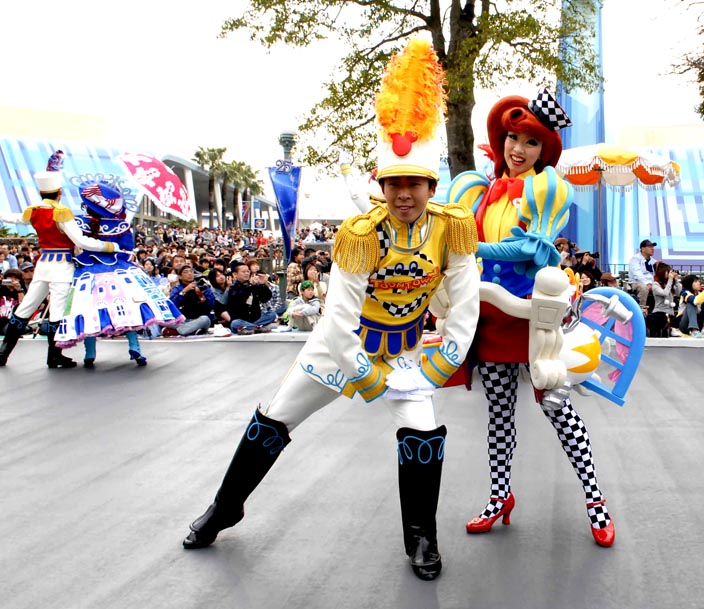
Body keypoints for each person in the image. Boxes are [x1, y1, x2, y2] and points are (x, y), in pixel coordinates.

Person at [180, 39, 479, 582]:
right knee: (275, 419)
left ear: (430, 185)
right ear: (381, 186)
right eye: (394, 183)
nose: (404, 193)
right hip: (342, 349)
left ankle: (421, 536)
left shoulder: (452, 226)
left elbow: (465, 299)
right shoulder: (360, 234)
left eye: (414, 182)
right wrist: (363, 375)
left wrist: (447, 357)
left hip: (408, 350)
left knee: (423, 435)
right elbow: (338, 319)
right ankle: (227, 507)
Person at [447, 89, 616, 547]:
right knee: (499, 413)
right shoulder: (480, 190)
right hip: (491, 316)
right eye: (513, 138)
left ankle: (596, 501)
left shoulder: (547, 187)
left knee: (559, 408)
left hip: (531, 314)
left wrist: (471, 248)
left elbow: (528, 248)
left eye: (531, 142)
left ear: (545, 150)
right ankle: (500, 496)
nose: (518, 149)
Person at [0, 152, 119, 368]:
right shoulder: (62, 212)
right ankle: (54, 356)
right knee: (57, 311)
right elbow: (81, 241)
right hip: (61, 266)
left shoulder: (34, 211)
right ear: (60, 192)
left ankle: (3, 353)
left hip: (43, 264)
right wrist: (109, 246)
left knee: (25, 308)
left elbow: (13, 217)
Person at [55, 176, 184, 367]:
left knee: (89, 309)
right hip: (120, 271)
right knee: (128, 308)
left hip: (88, 271)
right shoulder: (121, 226)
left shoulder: (80, 222)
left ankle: (89, 353)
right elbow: (128, 249)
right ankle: (135, 348)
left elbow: (73, 240)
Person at [226, 261, 275, 335]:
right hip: (240, 321)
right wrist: (251, 286)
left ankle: (253, 327)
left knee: (272, 315)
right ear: (235, 274)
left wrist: (262, 285)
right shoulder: (233, 288)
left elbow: (265, 298)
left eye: (248, 271)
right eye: (243, 272)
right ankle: (258, 328)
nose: (246, 273)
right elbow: (239, 297)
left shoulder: (253, 285)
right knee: (235, 323)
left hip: (255, 319)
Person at [167, 265, 216, 336]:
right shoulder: (177, 289)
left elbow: (211, 306)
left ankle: (181, 331)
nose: (189, 274)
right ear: (180, 276)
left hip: (198, 319)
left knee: (205, 319)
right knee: (165, 320)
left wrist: (200, 296)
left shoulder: (202, 286)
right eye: (186, 272)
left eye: (191, 272)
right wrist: (184, 291)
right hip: (182, 320)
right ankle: (193, 330)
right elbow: (171, 305)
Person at [647, 263, 680, 337]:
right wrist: (670, 280)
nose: (669, 274)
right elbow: (665, 293)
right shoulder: (655, 284)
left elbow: (678, 293)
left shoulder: (669, 284)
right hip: (659, 313)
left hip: (670, 314)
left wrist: (676, 280)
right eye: (667, 272)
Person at [628, 239, 658, 309]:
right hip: (636, 282)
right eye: (650, 247)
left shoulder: (653, 261)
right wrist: (647, 283)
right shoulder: (635, 259)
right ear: (643, 249)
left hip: (651, 282)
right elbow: (637, 274)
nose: (652, 249)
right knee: (644, 288)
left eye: (653, 247)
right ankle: (640, 310)